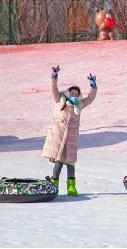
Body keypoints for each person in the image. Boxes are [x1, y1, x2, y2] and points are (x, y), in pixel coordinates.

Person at [42, 65, 98, 196]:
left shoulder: (79, 105)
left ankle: (71, 187)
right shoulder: (59, 101)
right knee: (58, 163)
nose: (74, 95)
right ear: (67, 94)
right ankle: (54, 185)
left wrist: (93, 87)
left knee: (71, 164)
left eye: (76, 94)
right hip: (58, 137)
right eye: (72, 93)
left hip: (71, 139)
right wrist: (54, 77)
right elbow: (54, 89)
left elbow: (90, 98)